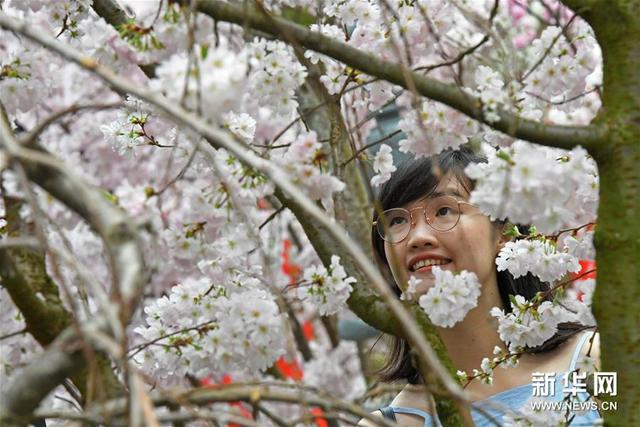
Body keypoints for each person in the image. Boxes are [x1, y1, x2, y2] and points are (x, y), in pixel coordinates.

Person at [358, 146, 601, 426]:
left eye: (445, 210)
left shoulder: (594, 362)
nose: (418, 237)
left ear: (503, 233)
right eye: (397, 220)